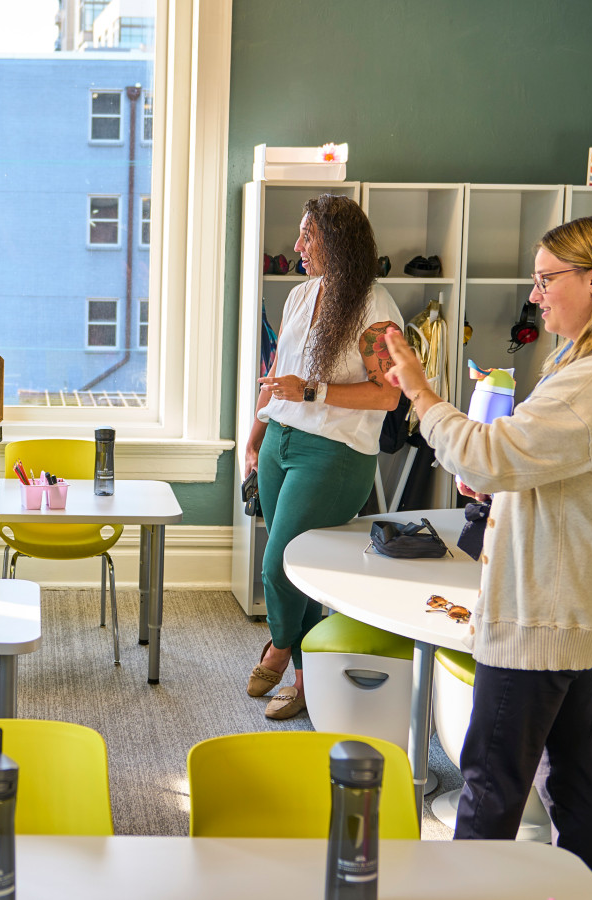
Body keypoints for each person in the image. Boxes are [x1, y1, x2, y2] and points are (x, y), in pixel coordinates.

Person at [379, 215, 592, 887]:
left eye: (545, 280)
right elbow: (529, 464)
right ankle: (587, 887)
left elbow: (491, 453)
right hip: (570, 604)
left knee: (489, 785)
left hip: (545, 609)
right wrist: (499, 474)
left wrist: (421, 391)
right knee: (571, 777)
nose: (535, 296)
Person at [240, 194, 402, 719]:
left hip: (332, 453)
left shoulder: (378, 310)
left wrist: (310, 391)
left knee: (278, 564)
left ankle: (280, 648)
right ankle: (309, 680)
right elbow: (278, 372)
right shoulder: (300, 296)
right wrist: (255, 433)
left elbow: (387, 396)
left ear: (338, 241)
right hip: (281, 442)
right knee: (301, 570)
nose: (297, 247)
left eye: (308, 236)